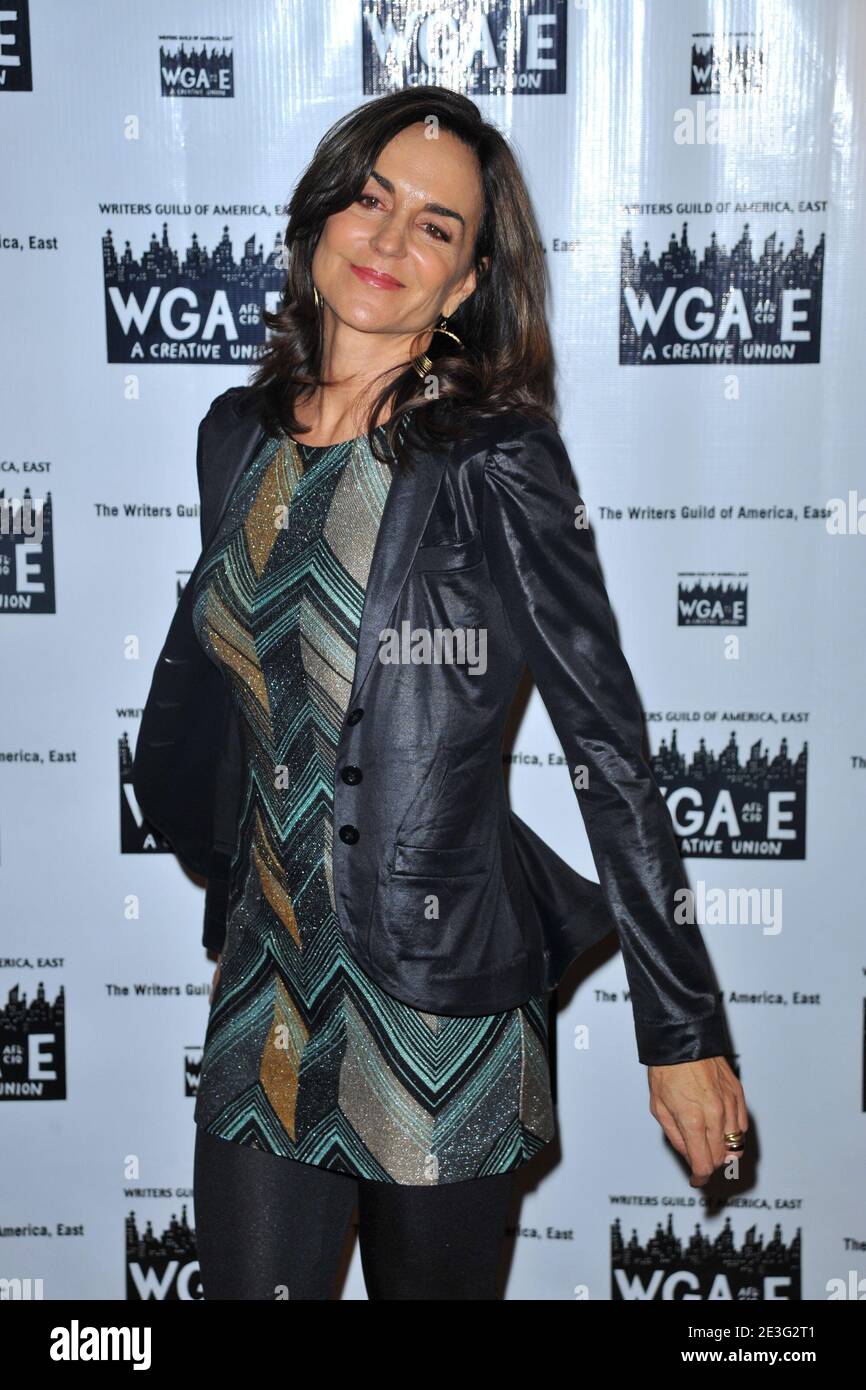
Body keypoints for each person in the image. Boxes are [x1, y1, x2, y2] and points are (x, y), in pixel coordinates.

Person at [140, 85, 748, 1301]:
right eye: (369, 200)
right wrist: (230, 914)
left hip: (441, 1013)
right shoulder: (234, 436)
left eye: (434, 226)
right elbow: (250, 701)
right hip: (268, 987)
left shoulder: (495, 459)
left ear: (464, 283)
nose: (387, 239)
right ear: (319, 217)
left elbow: (606, 742)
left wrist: (681, 1032)